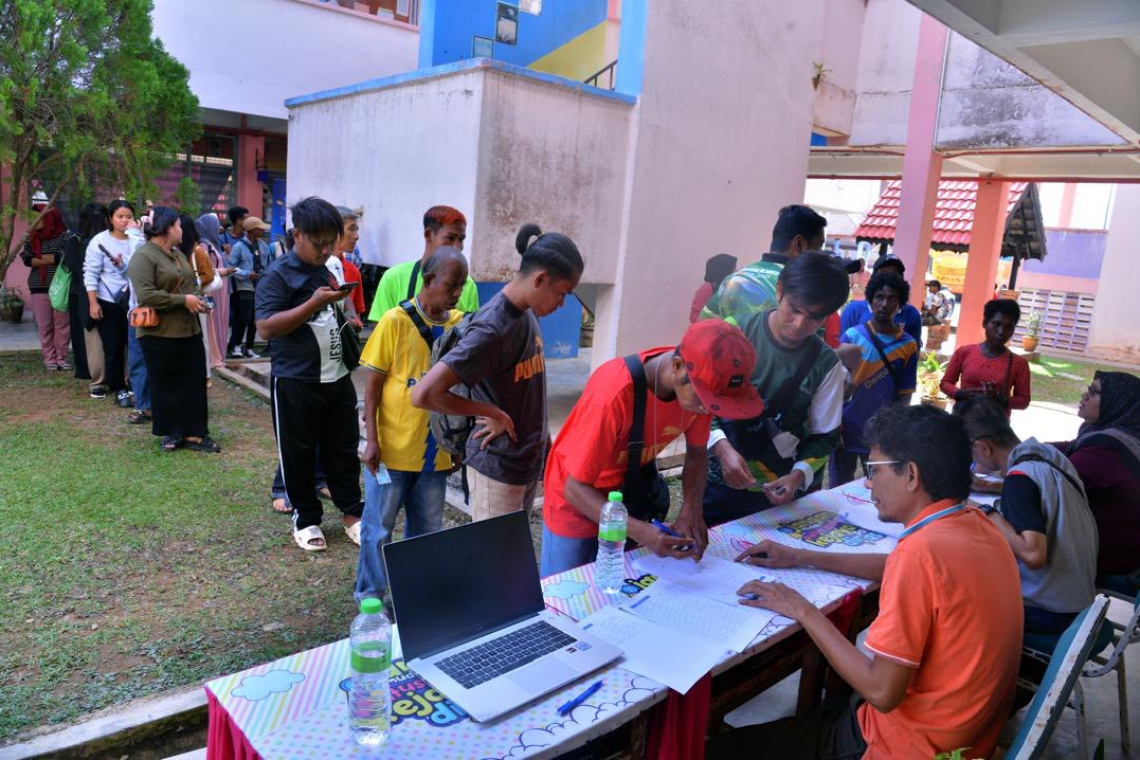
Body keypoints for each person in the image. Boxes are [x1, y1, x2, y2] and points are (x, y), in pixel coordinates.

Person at [715, 404, 1022, 760]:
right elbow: (896, 567)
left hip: (905, 746)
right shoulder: (976, 523)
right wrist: (803, 556)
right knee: (826, 708)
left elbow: (882, 691)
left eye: (874, 470)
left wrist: (801, 608)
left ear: (910, 475)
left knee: (719, 752)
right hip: (966, 735)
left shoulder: (921, 554)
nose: (868, 482)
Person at [540, 319, 766, 577]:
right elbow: (574, 488)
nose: (707, 410)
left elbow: (696, 454)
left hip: (627, 496)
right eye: (706, 401)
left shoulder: (702, 383)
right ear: (678, 367)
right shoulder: (613, 393)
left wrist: (691, 511)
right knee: (569, 589)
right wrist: (639, 530)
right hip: (577, 502)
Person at [412, 223, 584, 521]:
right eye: (563, 293)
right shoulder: (493, 328)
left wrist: (545, 444)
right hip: (498, 469)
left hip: (526, 462)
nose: (562, 303)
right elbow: (423, 393)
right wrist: (489, 410)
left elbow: (530, 388)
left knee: (512, 560)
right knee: (495, 564)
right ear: (541, 279)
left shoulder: (528, 312)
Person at [356, 247, 471, 600]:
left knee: (427, 530)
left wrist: (457, 445)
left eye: (461, 287)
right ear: (428, 279)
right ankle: (372, 597)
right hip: (391, 450)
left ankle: (415, 597)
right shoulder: (394, 321)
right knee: (378, 529)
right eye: (451, 285)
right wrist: (371, 440)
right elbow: (372, 386)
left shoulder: (460, 327)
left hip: (434, 456)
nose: (455, 294)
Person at [703, 252, 848, 526]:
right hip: (719, 486)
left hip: (785, 496)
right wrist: (722, 449)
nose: (799, 324)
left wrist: (797, 476)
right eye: (794, 309)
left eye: (814, 318)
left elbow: (825, 435)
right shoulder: (732, 334)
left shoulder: (826, 365)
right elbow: (699, 402)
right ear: (780, 290)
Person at [254, 197, 363, 552]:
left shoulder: (327, 268)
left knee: (343, 449)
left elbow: (338, 307)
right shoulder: (277, 275)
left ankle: (351, 512)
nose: (326, 249)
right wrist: (313, 303)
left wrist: (345, 312)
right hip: (296, 380)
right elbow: (267, 328)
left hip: (336, 376)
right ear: (297, 234)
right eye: (319, 243)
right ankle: (306, 518)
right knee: (298, 453)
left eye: (331, 242)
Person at [955, 396, 1097, 635]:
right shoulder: (1049, 455)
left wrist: (983, 511)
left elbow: (1033, 554)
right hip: (1080, 600)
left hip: (1050, 612)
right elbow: (1042, 492)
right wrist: (990, 487)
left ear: (983, 447)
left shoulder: (1019, 479)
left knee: (955, 599)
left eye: (971, 453)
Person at [126, 208, 218, 453]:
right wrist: (183, 301)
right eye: (178, 225)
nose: (182, 230)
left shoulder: (177, 254)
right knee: (165, 384)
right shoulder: (143, 256)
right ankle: (171, 433)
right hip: (158, 334)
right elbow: (146, 295)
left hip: (189, 330)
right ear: (167, 228)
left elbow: (190, 285)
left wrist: (200, 300)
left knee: (193, 383)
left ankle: (196, 433)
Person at [829, 270, 918, 485]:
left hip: (880, 434)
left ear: (900, 304)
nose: (884, 304)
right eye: (879, 297)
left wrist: (893, 431)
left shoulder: (908, 346)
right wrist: (833, 424)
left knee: (879, 489)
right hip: (845, 428)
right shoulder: (852, 336)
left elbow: (903, 396)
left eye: (891, 298)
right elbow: (833, 387)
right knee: (837, 488)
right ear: (870, 300)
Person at [1053, 372, 1140, 589]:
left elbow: (1052, 482)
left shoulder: (1108, 449)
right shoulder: (1120, 433)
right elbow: (1067, 448)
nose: (1085, 395)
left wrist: (1004, 461)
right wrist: (1020, 447)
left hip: (1115, 560)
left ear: (1116, 403)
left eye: (1094, 392)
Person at [700, 204, 828, 326]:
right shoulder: (804, 288)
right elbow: (815, 347)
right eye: (818, 246)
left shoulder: (732, 280)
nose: (819, 254)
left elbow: (701, 330)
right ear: (799, 244)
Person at [366, 205, 480, 322]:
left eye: (461, 240)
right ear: (428, 234)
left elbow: (471, 333)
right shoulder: (393, 278)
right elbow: (383, 335)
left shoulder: (467, 284)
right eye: (450, 238)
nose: (458, 247)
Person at [84, 199, 139, 403]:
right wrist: (93, 302)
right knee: (113, 347)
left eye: (129, 216)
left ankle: (135, 383)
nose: (125, 220)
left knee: (135, 345)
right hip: (108, 301)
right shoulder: (100, 241)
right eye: (120, 216)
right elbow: (90, 274)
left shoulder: (137, 239)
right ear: (110, 219)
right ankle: (118, 388)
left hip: (135, 301)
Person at [940, 298, 1031, 413]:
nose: (1001, 331)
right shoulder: (964, 352)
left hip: (995, 427)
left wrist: (1000, 400)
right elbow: (945, 383)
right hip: (961, 421)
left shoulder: (1019, 363)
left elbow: (1024, 400)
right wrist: (959, 393)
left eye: (1008, 326)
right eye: (996, 324)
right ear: (985, 323)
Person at [22, 206, 73, 371]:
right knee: (44, 325)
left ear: (49, 218)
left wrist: (38, 257)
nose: (33, 221)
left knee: (62, 325)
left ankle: (61, 358)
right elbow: (27, 260)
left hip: (60, 287)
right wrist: (49, 259)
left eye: (38, 217)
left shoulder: (64, 237)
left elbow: (62, 258)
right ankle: (49, 358)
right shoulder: (31, 238)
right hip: (39, 287)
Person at [839, 254, 922, 345]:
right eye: (884, 273)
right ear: (873, 277)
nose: (888, 278)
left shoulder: (912, 314)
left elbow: (913, 353)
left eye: (894, 274)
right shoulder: (853, 310)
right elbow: (841, 349)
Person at [68, 203, 108, 385]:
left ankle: (87, 370)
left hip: (81, 294)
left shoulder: (75, 239)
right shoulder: (84, 241)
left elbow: (73, 266)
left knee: (85, 334)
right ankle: (97, 372)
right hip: (96, 293)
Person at [179, 214, 219, 381]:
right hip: (183, 300)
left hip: (197, 298)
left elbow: (208, 275)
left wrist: (191, 285)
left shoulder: (197, 251)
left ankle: (205, 373)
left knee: (201, 336)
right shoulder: (176, 251)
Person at [195, 213, 235, 370]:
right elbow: (207, 271)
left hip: (220, 288)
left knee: (221, 322)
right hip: (214, 290)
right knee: (215, 322)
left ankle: (218, 354)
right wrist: (224, 271)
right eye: (215, 224)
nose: (218, 228)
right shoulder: (204, 245)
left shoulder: (213, 244)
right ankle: (214, 356)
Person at [227, 216, 271, 359]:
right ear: (252, 230)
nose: (263, 230)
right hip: (244, 286)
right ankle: (236, 346)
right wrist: (247, 274)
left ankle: (250, 348)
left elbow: (268, 264)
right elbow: (230, 268)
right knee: (242, 318)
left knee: (255, 318)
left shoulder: (263, 245)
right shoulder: (238, 247)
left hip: (260, 287)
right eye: (260, 228)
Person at [327, 206, 366, 325]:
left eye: (357, 229)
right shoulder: (314, 267)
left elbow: (356, 318)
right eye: (351, 229)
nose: (356, 236)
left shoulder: (353, 271)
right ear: (334, 231)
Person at [689, 253, 738, 323]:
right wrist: (720, 320)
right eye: (734, 269)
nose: (736, 272)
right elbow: (694, 317)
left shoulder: (730, 288)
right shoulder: (707, 288)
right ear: (724, 270)